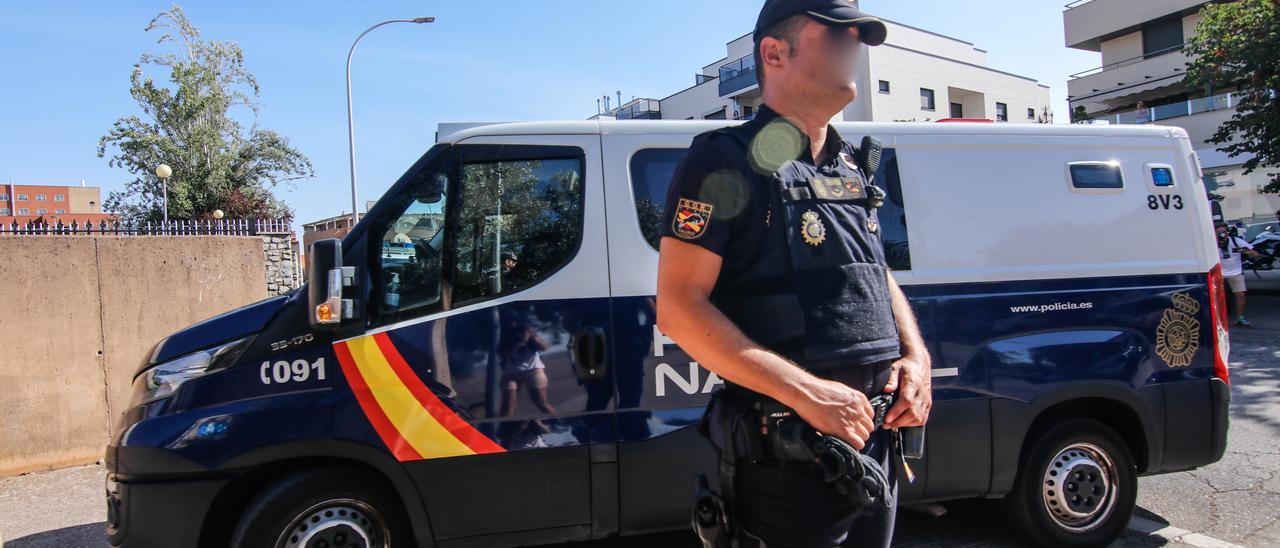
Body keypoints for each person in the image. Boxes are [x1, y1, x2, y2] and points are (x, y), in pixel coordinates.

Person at [656, 1, 932, 546]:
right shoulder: (724, 161)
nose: (852, 46)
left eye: (857, 36)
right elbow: (679, 307)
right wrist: (808, 393)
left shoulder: (850, 164)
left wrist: (916, 359)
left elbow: (877, 274)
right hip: (789, 467)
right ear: (773, 53)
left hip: (877, 449)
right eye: (835, 35)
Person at [1216, 222, 1263, 327]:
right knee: (1215, 296)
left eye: (1224, 232)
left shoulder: (1235, 241)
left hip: (1235, 272)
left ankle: (1240, 318)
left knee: (1241, 295)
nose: (1222, 235)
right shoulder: (1212, 243)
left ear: (1227, 232)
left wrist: (1253, 254)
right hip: (1219, 273)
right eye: (1219, 233)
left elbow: (1250, 252)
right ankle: (1216, 318)